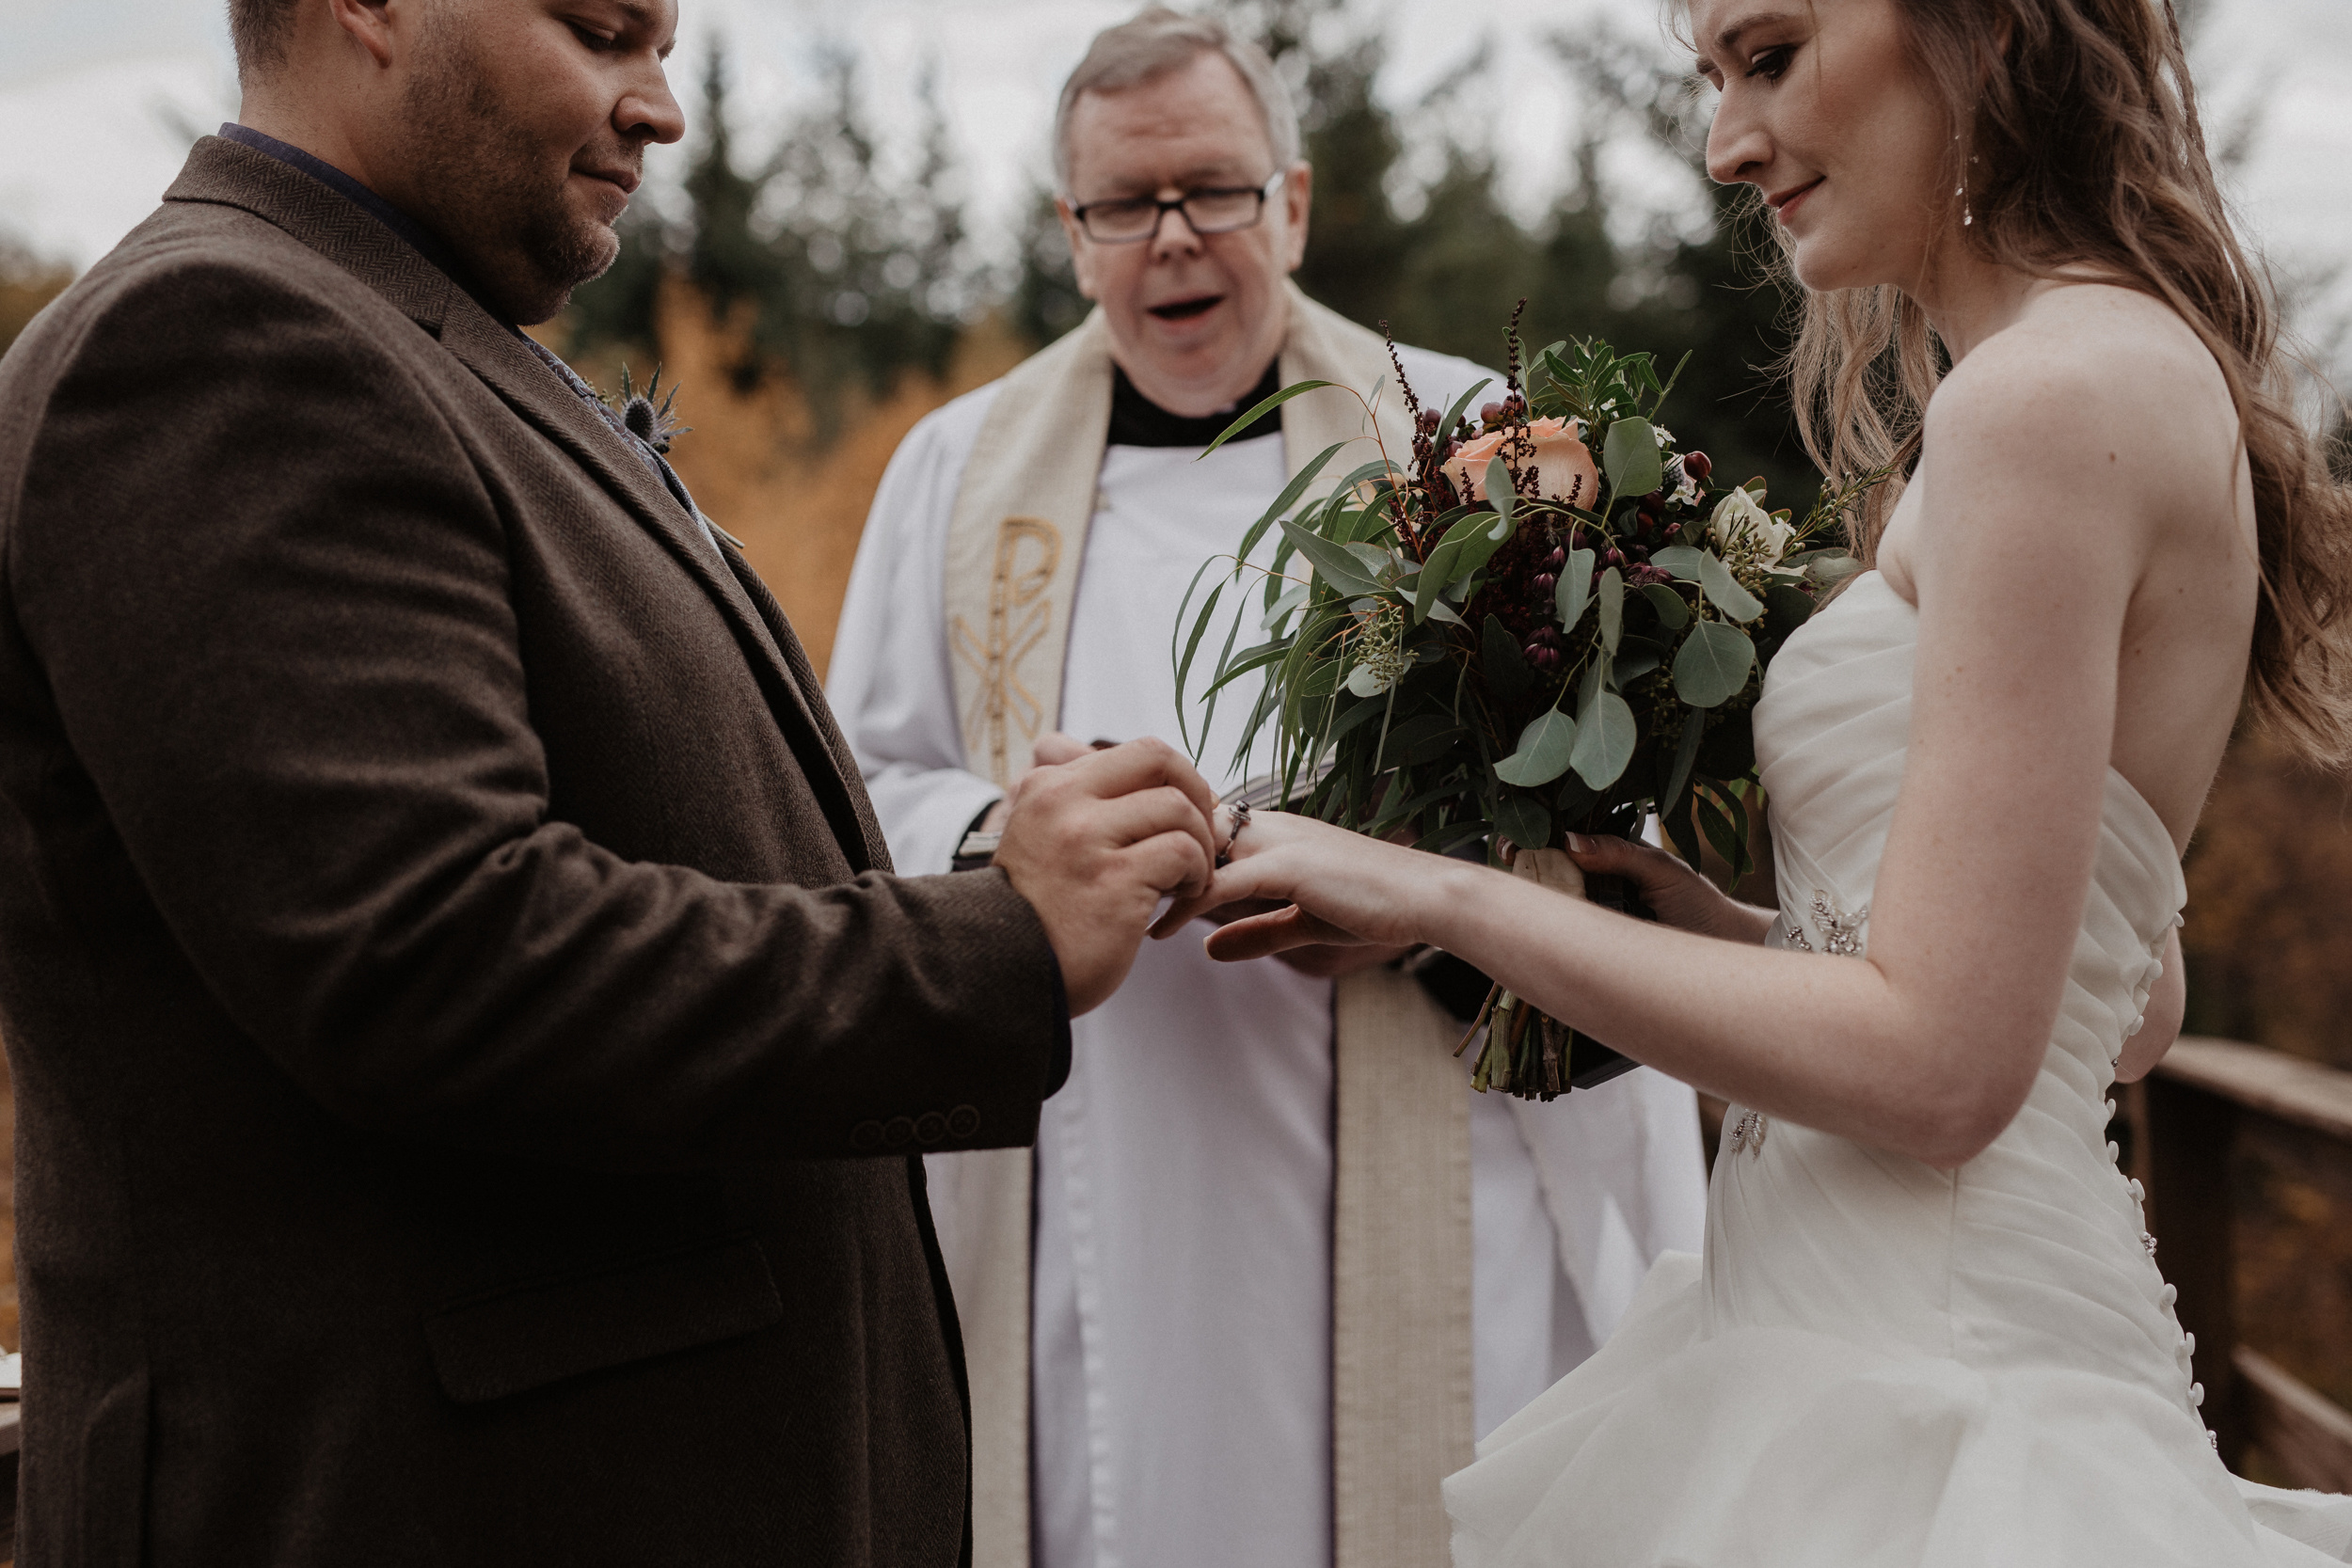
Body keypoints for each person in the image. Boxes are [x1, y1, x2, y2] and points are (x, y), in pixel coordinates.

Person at [0, 1, 1221, 1562]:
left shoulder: (411, 333)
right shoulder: (218, 341)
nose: (660, 107)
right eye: (601, 30)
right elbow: (439, 952)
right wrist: (1001, 941)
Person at [1155, 0, 2352, 1561]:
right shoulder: (2109, 373)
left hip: (1930, 1390)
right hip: (1889, 1324)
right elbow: (2125, 1005)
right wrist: (1722, 932)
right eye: (1712, 78)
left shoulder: (2039, 404)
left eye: (1771, 56)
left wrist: (1436, 891)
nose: (1726, 145)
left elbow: (1946, 1077)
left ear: (1981, 31)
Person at [825, 11, 1707, 1568]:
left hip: (1420, 1127)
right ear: (1072, 232)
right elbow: (856, 792)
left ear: (1290, 205)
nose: (1174, 238)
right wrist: (1012, 842)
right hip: (1096, 1151)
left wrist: (1427, 893)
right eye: (1125, 203)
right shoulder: (957, 476)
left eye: (1216, 192)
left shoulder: (1475, 452)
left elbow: (1606, 816)